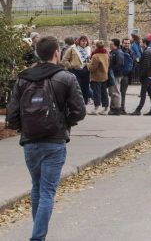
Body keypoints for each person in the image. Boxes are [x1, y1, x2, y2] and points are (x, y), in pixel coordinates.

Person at [6, 35, 86, 241]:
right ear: (57, 53)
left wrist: (24, 127)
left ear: (37, 54)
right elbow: (79, 111)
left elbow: (12, 114)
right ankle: (37, 237)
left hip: (30, 141)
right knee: (48, 191)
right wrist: (64, 122)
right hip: (55, 141)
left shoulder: (23, 78)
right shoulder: (66, 78)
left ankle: (38, 234)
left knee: (37, 187)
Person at [130, 37, 151, 116]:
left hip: (147, 76)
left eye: (141, 42)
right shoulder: (149, 51)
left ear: (144, 43)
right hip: (150, 75)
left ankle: (138, 110)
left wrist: (141, 76)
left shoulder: (147, 52)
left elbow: (146, 66)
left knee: (143, 93)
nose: (140, 43)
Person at [62, 34, 91, 106]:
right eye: (83, 41)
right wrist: (71, 66)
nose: (84, 43)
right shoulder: (72, 48)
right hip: (75, 71)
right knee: (77, 88)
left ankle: (84, 103)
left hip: (86, 71)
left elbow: (90, 60)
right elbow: (64, 60)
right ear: (79, 41)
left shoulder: (89, 49)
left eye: (85, 41)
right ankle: (76, 104)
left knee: (85, 88)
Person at [107, 39, 125, 116]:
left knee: (115, 91)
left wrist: (111, 69)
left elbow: (120, 64)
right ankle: (113, 108)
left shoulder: (118, 53)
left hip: (116, 75)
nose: (109, 45)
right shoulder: (113, 52)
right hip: (113, 74)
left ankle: (116, 108)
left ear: (115, 45)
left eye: (111, 44)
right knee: (112, 91)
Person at [119, 38, 134, 114]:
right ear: (122, 43)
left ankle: (122, 108)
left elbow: (132, 64)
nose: (127, 44)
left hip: (126, 75)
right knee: (117, 92)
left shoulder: (131, 52)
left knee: (123, 92)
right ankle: (117, 107)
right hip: (118, 75)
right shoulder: (119, 51)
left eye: (128, 43)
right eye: (125, 43)